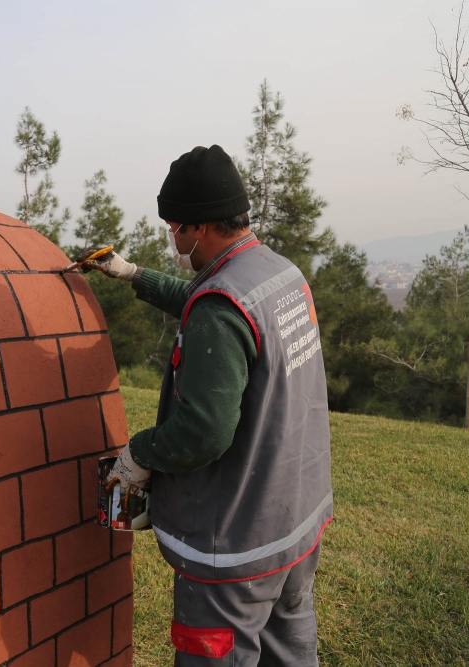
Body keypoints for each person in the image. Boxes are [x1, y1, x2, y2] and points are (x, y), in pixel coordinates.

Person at [85, 145, 332, 666]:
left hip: (237, 547)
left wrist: (140, 452)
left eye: (176, 228)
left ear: (200, 228)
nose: (174, 239)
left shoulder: (221, 306)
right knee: (287, 654)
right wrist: (135, 276)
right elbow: (212, 303)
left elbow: (203, 433)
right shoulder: (277, 274)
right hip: (295, 523)